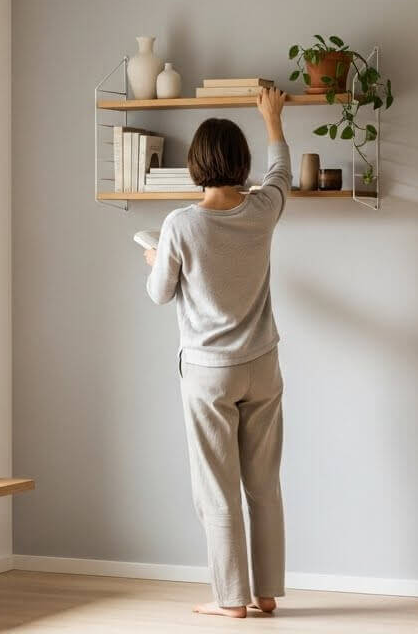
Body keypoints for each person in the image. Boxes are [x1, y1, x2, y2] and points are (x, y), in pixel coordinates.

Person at [143, 86, 291, 618]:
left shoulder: (181, 224)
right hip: (263, 366)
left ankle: (231, 600)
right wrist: (273, 122)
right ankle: (267, 592)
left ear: (195, 164)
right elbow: (281, 176)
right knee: (263, 485)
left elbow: (161, 293)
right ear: (241, 162)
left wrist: (155, 258)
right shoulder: (263, 210)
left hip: (208, 374)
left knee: (218, 490)